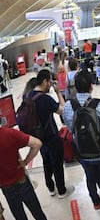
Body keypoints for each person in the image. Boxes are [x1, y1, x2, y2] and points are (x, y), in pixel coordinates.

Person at [62, 69, 100, 210]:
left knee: (89, 177)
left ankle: (96, 202)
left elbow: (70, 128)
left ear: (76, 87)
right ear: (91, 86)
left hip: (83, 152)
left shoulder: (68, 106)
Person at [29, 69, 73, 199]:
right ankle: (61, 190)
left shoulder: (29, 96)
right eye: (49, 82)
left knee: (46, 163)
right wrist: (59, 93)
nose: (51, 84)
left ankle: (51, 188)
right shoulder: (45, 99)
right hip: (52, 137)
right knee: (57, 164)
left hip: (38, 138)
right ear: (44, 81)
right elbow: (64, 111)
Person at [0, 117, 48, 220]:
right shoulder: (10, 133)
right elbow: (37, 144)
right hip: (21, 181)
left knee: (19, 216)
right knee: (37, 212)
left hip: (6, 187)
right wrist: (25, 161)